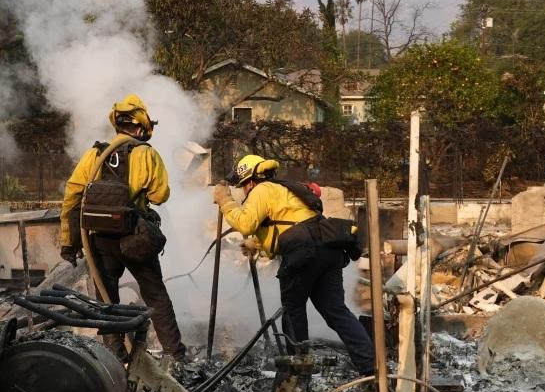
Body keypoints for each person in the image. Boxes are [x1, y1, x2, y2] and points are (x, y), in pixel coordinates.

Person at [211, 155, 374, 374]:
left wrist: (225, 201)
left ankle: (298, 371)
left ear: (250, 180)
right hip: (327, 249)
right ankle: (369, 364)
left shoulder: (262, 189)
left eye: (242, 185)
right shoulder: (285, 189)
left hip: (303, 251)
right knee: (336, 310)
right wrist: (257, 243)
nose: (243, 190)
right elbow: (287, 223)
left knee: (293, 310)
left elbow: (246, 223)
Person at [60, 94, 187, 361]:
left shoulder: (94, 154)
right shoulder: (146, 153)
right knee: (155, 296)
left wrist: (68, 242)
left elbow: (72, 195)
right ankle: (175, 358)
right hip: (134, 237)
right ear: (141, 128)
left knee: (106, 302)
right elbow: (159, 195)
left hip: (98, 239)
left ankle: (116, 359)